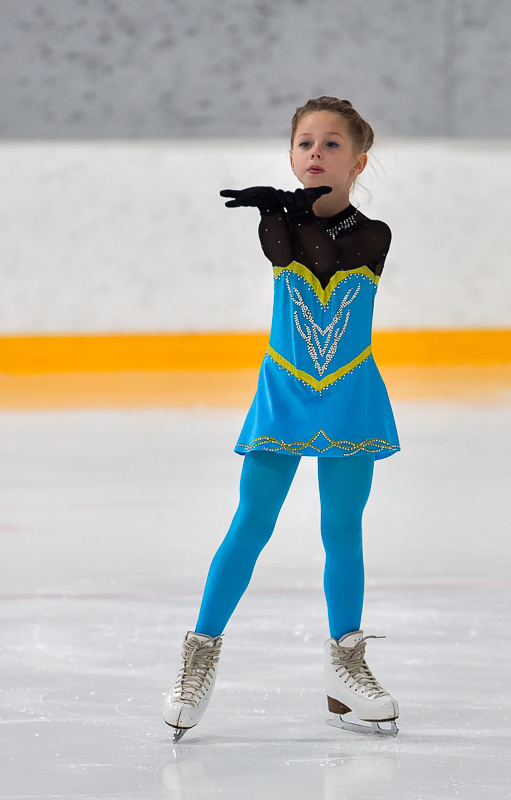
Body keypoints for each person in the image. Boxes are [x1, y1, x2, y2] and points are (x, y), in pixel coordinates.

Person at [162, 96, 401, 741]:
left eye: (330, 145)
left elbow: (333, 251)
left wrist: (299, 209)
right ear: (290, 154)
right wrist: (285, 209)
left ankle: (345, 666)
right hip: (286, 391)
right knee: (251, 523)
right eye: (304, 144)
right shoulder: (276, 223)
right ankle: (200, 655)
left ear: (359, 160)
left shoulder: (374, 235)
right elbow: (289, 249)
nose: (315, 155)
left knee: (341, 528)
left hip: (350, 395)